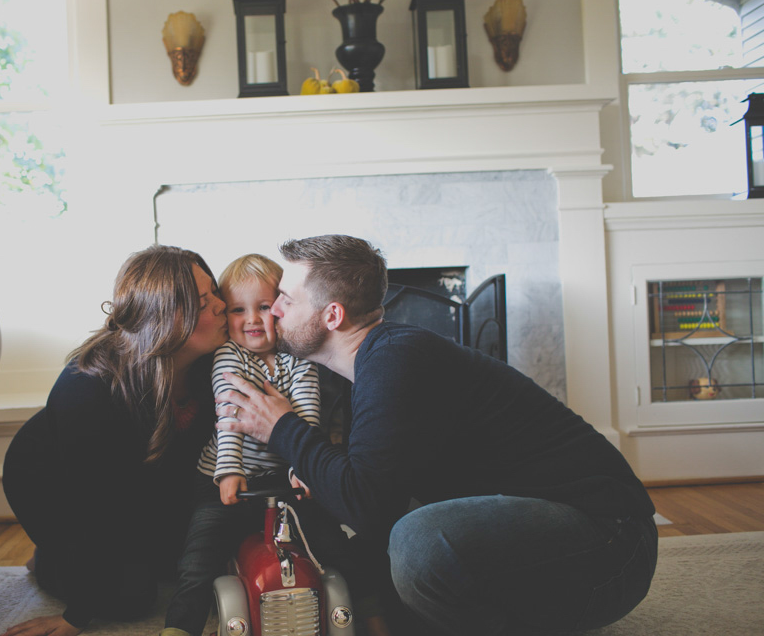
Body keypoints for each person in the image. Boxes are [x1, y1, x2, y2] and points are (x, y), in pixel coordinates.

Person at [216, 234, 659, 635]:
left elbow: (366, 507)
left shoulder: (394, 360)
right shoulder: (374, 364)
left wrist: (282, 427)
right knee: (388, 541)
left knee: (419, 541)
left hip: (609, 545)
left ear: (332, 315)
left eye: (286, 299)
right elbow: (377, 495)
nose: (274, 310)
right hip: (557, 536)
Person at [1, 245, 228, 636]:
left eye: (215, 293)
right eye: (205, 303)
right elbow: (97, 508)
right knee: (130, 596)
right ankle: (49, 560)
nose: (222, 306)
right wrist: (77, 615)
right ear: (166, 320)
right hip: (56, 489)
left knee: (191, 564)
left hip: (133, 484)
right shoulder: (87, 388)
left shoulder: (213, 367)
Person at [161, 253, 323, 636]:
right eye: (238, 309)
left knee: (329, 541)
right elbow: (229, 414)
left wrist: (304, 466)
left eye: (263, 307)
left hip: (284, 479)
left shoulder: (299, 358)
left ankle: (371, 614)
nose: (252, 319)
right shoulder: (228, 356)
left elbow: (307, 416)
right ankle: (180, 627)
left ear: (282, 307)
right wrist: (230, 470)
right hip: (223, 477)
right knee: (199, 557)